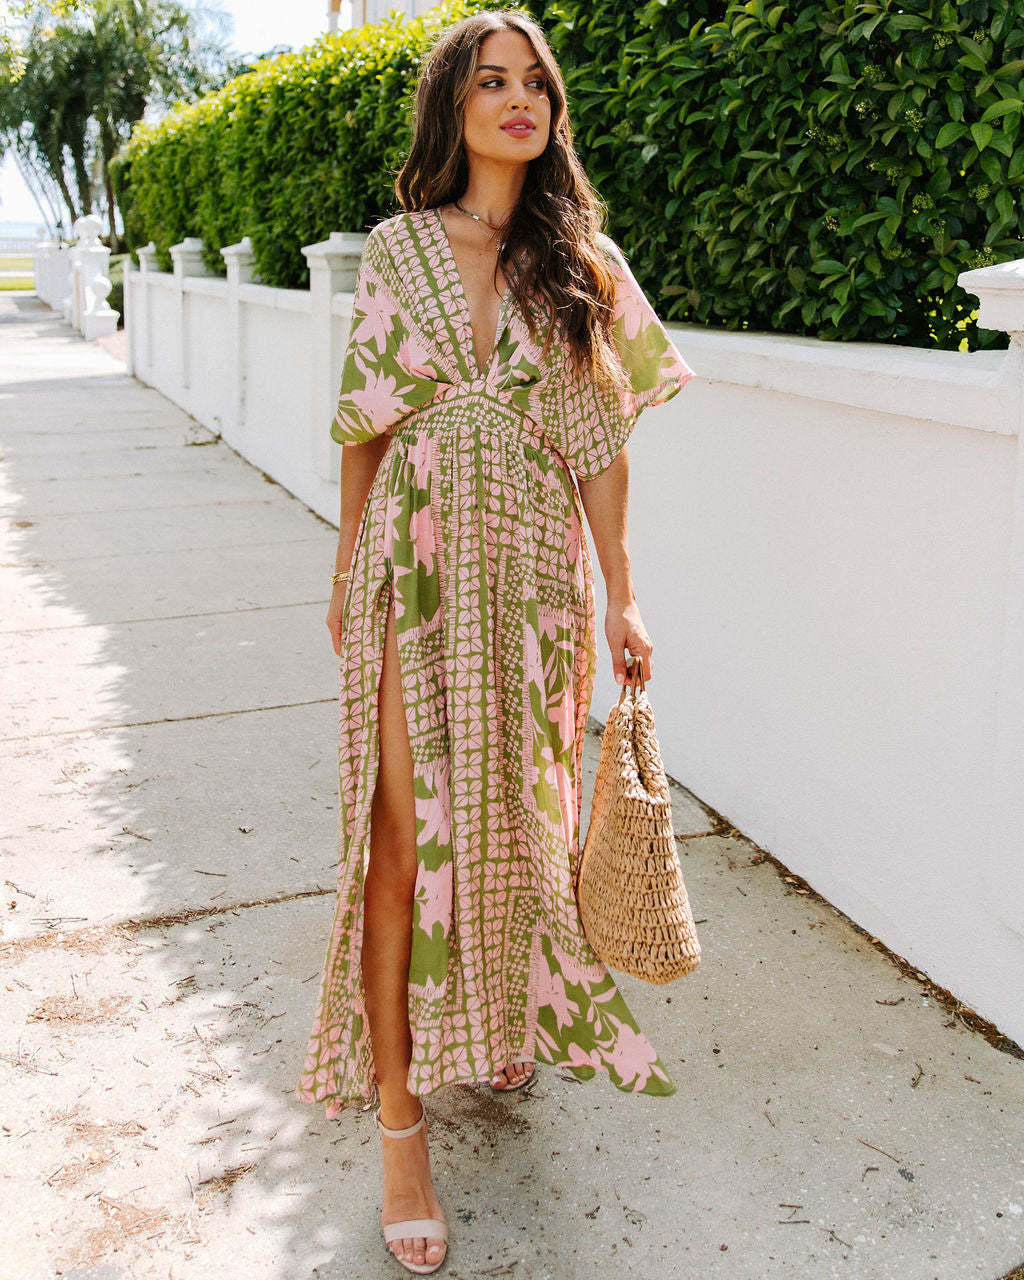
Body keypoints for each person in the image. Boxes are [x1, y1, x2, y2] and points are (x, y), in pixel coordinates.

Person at [295, 9, 695, 1273]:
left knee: (521, 820)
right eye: (490, 81)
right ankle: (400, 1127)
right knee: (399, 836)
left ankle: (499, 1019)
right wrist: (346, 563)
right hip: (409, 564)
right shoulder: (400, 246)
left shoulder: (581, 259)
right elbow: (365, 419)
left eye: (535, 82)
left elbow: (604, 441)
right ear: (453, 108)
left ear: (552, 111)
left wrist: (622, 591)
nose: (518, 98)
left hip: (533, 575)